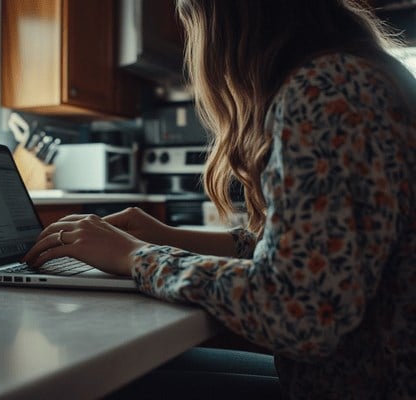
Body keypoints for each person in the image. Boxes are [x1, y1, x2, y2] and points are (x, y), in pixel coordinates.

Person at [24, 0, 416, 398]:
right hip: (364, 374)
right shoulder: (364, 77)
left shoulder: (326, 89)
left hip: (365, 387)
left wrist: (135, 256)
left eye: (194, 24)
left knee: (100, 379)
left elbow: (296, 309)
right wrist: (165, 235)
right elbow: (299, 257)